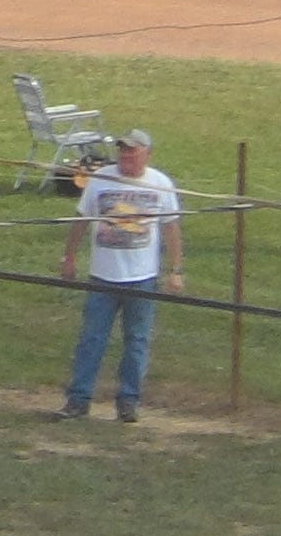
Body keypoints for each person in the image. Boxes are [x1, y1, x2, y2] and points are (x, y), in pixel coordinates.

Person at [55, 130, 185, 424]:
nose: (125, 156)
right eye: (122, 151)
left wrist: (175, 271)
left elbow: (171, 229)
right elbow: (81, 220)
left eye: (132, 151)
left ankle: (128, 402)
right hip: (102, 277)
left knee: (136, 341)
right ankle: (78, 400)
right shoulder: (101, 179)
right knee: (91, 340)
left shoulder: (161, 184)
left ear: (147, 154)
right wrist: (69, 257)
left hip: (142, 279)